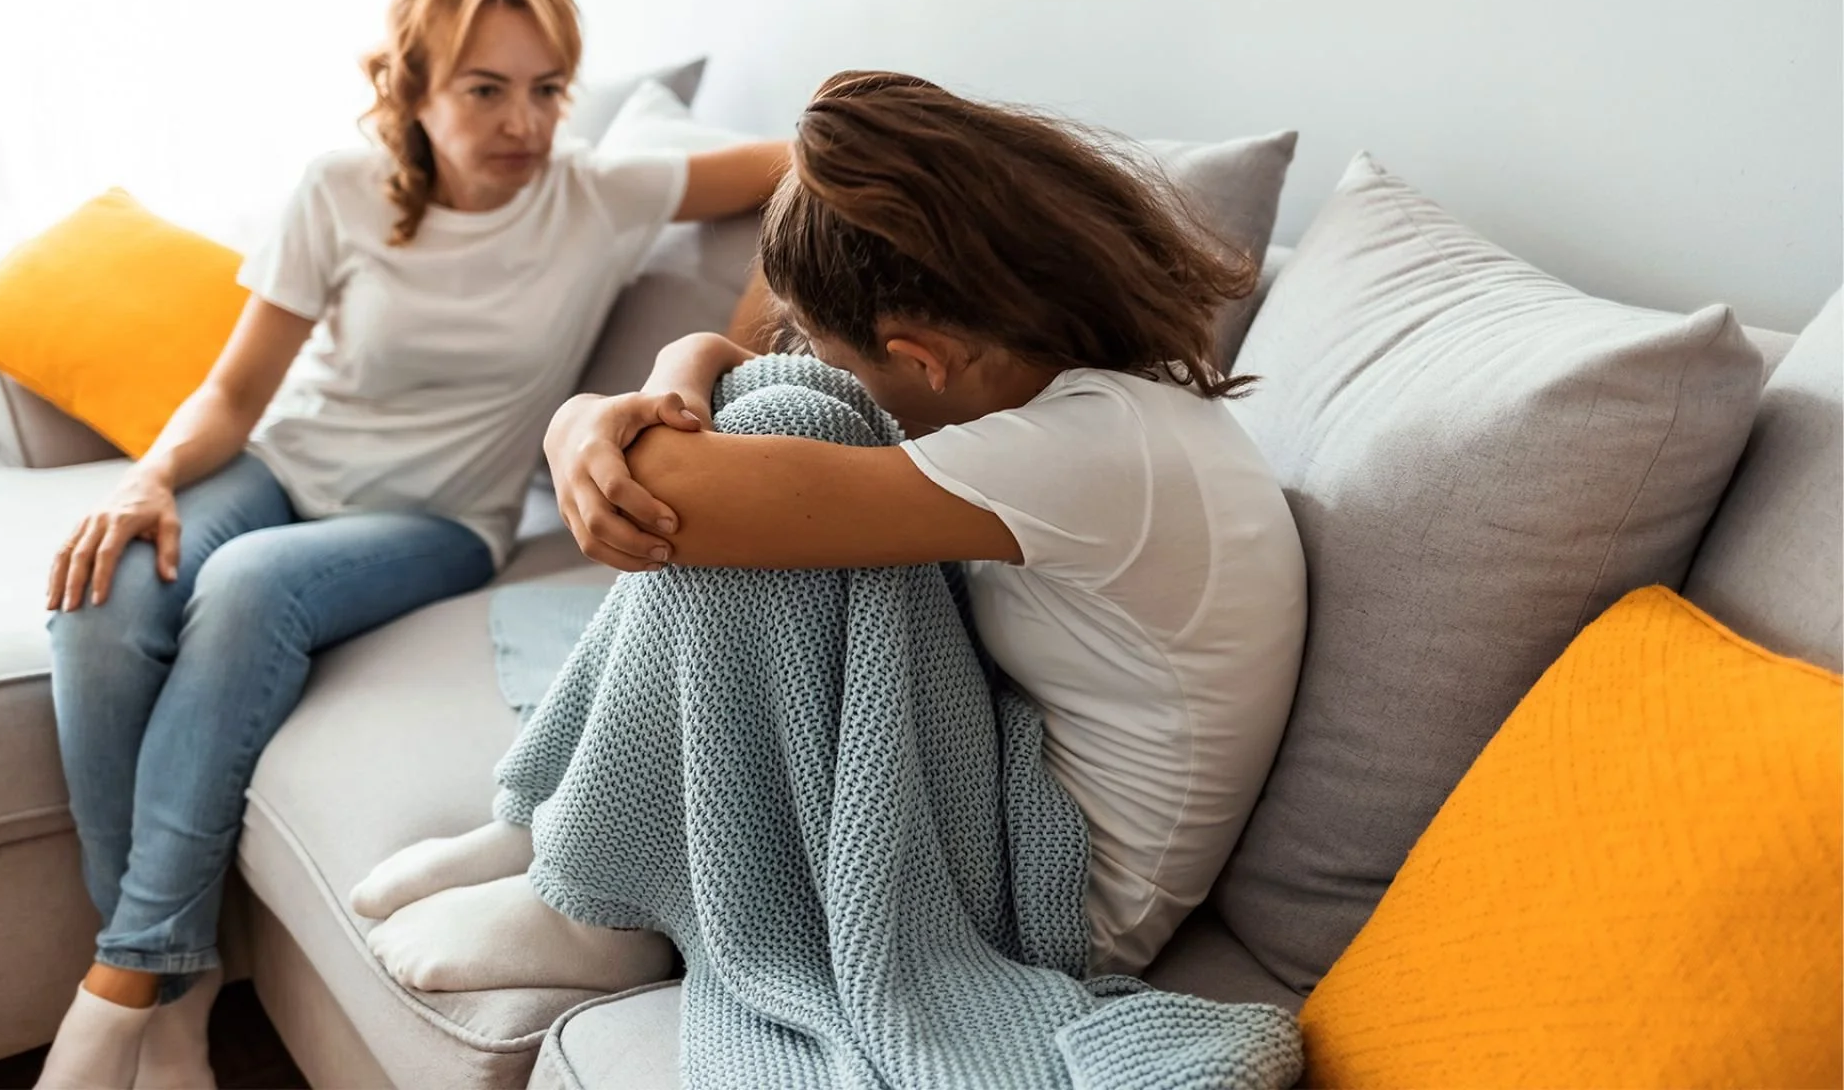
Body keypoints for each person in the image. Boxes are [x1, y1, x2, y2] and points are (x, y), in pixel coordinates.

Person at [351, 70, 1306, 999]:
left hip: (1046, 903)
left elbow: (682, 488)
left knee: (782, 429)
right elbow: (740, 382)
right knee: (778, 403)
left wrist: (580, 423)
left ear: (923, 358)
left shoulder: (1090, 454)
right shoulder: (1084, 392)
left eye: (833, 343)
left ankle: (598, 911)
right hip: (1000, 794)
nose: (818, 359)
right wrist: (668, 385)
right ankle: (551, 823)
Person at [36, 0, 789, 1090]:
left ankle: (125, 985)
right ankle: (182, 1001)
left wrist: (741, 326)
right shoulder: (338, 188)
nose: (524, 121)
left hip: (439, 516)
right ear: (412, 91)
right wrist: (150, 476)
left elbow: (816, 162)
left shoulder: (604, 192)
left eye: (547, 88)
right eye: (485, 88)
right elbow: (238, 395)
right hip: (285, 464)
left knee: (247, 587)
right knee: (104, 592)